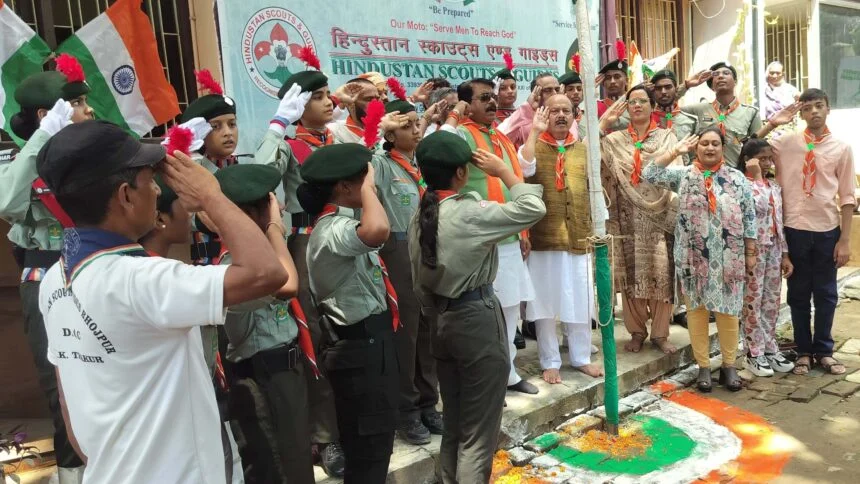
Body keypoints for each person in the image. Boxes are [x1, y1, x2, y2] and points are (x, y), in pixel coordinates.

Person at [36, 120, 289, 484]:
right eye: (149, 181)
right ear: (126, 196)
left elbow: (66, 398)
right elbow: (267, 272)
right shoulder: (142, 279)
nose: (157, 190)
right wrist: (212, 196)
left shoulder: (54, 279)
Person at [409, 131, 546, 483]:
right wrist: (504, 171)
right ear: (461, 173)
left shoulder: (421, 214)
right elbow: (533, 208)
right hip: (475, 321)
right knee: (477, 437)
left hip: (440, 320)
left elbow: (418, 282)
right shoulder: (468, 213)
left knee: (455, 424)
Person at [0, 54, 94, 484]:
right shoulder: (19, 160)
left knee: (101, 378)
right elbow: (7, 202)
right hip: (44, 280)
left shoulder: (87, 154)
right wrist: (42, 138)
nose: (88, 110)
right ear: (47, 114)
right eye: (76, 103)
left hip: (92, 272)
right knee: (61, 388)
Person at [254, 66, 346, 476]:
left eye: (328, 94)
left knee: (352, 332)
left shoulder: (339, 138)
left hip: (349, 239)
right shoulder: (290, 146)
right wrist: (278, 124)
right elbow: (263, 175)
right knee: (316, 337)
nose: (328, 102)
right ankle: (325, 436)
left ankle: (353, 421)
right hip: (308, 244)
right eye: (317, 96)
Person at [205, 164, 316, 483]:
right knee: (279, 469)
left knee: (297, 464)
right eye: (270, 204)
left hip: (284, 371)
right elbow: (287, 284)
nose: (279, 208)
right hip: (263, 377)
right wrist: (274, 229)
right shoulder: (237, 266)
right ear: (252, 215)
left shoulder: (265, 255)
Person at [298, 143, 399, 483]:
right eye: (364, 180)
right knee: (367, 453)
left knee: (376, 447)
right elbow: (378, 230)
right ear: (344, 187)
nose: (372, 185)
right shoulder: (332, 229)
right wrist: (369, 191)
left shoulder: (342, 224)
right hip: (358, 350)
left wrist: (366, 188)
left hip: (371, 346)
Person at [138, 176, 244, 483]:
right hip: (183, 420)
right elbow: (270, 273)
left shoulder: (147, 272)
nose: (191, 216)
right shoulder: (168, 281)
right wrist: (213, 199)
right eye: (184, 206)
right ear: (160, 219)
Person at [441, 78, 538, 395]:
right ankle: (487, 380)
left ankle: (509, 374)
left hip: (508, 239)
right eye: (484, 98)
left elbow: (516, 180)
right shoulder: (460, 135)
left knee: (509, 309)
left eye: (492, 97)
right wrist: (455, 112)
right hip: (479, 240)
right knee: (484, 313)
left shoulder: (499, 136)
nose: (493, 102)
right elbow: (438, 145)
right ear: (466, 104)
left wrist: (522, 230)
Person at [643, 126, 757, 393]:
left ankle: (729, 365)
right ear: (696, 147)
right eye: (704, 143)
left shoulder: (737, 178)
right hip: (693, 258)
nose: (709, 148)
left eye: (715, 143)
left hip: (729, 257)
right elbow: (649, 173)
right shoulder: (683, 176)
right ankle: (703, 366)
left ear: (723, 147)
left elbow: (749, 216)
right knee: (697, 312)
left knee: (728, 312)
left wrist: (750, 253)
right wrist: (674, 151)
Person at [518, 95, 603, 383]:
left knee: (580, 300)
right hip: (543, 240)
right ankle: (550, 361)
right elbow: (524, 167)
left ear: (574, 115)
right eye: (554, 111)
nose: (560, 115)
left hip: (579, 238)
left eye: (566, 110)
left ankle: (581, 358)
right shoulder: (535, 146)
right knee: (544, 305)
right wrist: (534, 130)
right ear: (545, 115)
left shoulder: (584, 150)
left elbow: (595, 190)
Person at [770, 88, 855, 376]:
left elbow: (847, 196)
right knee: (797, 293)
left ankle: (824, 351)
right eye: (807, 108)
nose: (814, 112)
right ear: (802, 114)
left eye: (819, 106)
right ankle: (804, 351)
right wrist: (773, 123)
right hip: (794, 230)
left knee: (826, 293)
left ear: (828, 108)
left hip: (827, 230)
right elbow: (746, 147)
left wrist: (845, 240)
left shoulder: (841, 148)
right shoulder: (785, 143)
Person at [373, 98, 443, 445]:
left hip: (426, 247)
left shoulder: (419, 165)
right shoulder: (382, 164)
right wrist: (378, 132)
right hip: (398, 250)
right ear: (389, 134)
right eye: (407, 126)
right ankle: (407, 410)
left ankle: (429, 402)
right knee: (407, 333)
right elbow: (362, 165)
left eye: (418, 124)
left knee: (429, 329)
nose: (416, 131)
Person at [600, 85, 682, 355]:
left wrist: (674, 214)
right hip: (626, 217)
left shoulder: (668, 138)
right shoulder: (614, 140)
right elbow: (591, 159)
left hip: (659, 218)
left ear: (652, 105)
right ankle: (636, 332)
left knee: (661, 274)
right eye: (631, 102)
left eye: (642, 101)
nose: (636, 106)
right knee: (631, 275)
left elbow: (676, 176)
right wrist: (604, 124)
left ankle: (660, 334)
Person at [736, 139, 796, 377]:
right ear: (748, 160)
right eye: (762, 159)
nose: (767, 163)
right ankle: (753, 352)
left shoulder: (773, 187)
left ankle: (770, 347)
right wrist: (757, 176)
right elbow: (757, 207)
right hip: (753, 250)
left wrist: (785, 254)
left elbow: (779, 221)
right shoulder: (743, 184)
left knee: (771, 301)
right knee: (753, 301)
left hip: (774, 249)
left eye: (770, 158)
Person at [681, 61, 796, 167]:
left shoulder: (750, 112)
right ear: (711, 86)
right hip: (703, 174)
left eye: (726, 73)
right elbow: (670, 113)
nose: (720, 76)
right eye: (716, 74)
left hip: (735, 175)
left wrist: (772, 124)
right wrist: (686, 86)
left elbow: (754, 145)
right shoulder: (697, 110)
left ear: (735, 81)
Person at [498, 72, 568, 148]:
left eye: (557, 90)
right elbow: (499, 138)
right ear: (536, 93)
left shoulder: (566, 118)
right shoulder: (525, 123)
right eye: (548, 90)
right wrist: (527, 107)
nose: (554, 93)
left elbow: (565, 148)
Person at [650, 70, 699, 158]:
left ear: (676, 89)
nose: (663, 91)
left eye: (668, 87)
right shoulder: (645, 120)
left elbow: (696, 155)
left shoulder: (692, 121)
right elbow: (637, 145)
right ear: (653, 92)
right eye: (658, 88)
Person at [329, 77, 380, 144]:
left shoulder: (385, 131)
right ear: (349, 103)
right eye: (368, 99)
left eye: (377, 99)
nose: (376, 104)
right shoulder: (333, 131)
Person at [596, 41, 629, 121]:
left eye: (617, 77)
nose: (612, 81)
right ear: (603, 83)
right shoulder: (596, 107)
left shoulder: (635, 104)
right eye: (608, 78)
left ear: (627, 80)